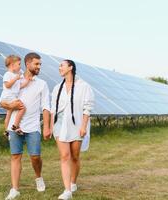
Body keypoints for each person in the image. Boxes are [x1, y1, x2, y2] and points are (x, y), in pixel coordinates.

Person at [0, 52, 51, 200]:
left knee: (35, 157)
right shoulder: (14, 79)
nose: (39, 66)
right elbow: (2, 102)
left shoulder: (42, 84)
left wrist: (47, 126)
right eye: (36, 64)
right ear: (27, 64)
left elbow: (46, 107)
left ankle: (38, 176)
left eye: (40, 64)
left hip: (33, 126)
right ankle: (15, 189)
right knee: (15, 156)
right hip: (14, 126)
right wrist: (10, 105)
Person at [50, 60, 94, 200]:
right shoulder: (57, 88)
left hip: (77, 124)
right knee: (64, 156)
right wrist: (51, 126)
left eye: (61, 65)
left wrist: (83, 126)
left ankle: (73, 182)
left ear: (70, 67)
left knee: (75, 157)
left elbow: (87, 108)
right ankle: (67, 190)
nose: (59, 68)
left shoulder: (84, 86)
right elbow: (53, 109)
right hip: (59, 125)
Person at [0, 55, 30, 136]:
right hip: (9, 97)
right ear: (12, 65)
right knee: (23, 108)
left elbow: (20, 86)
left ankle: (6, 131)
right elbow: (7, 85)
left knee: (9, 113)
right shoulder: (8, 74)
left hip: (10, 98)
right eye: (19, 64)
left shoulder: (15, 76)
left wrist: (27, 81)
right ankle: (16, 125)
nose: (20, 66)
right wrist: (16, 78)